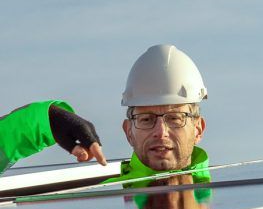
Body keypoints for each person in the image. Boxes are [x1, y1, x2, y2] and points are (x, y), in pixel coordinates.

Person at [0, 44, 210, 184]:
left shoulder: (225, 199)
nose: (160, 132)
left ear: (198, 129)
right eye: (146, 119)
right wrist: (44, 123)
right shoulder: (93, 206)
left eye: (175, 118)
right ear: (128, 132)